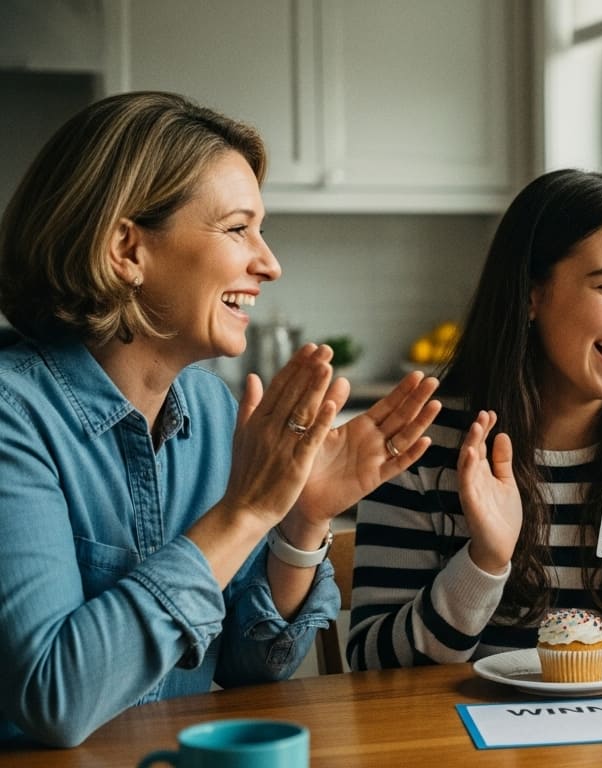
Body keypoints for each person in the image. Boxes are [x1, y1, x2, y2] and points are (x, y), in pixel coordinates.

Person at [0, 91, 441, 747]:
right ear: (127, 249)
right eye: (238, 229)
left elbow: (250, 665)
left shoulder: (212, 412)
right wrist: (246, 512)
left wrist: (300, 522)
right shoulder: (13, 416)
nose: (270, 263)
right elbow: (54, 698)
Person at [348, 169, 602, 669]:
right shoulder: (418, 445)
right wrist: (483, 563)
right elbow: (372, 667)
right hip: (461, 723)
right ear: (531, 295)